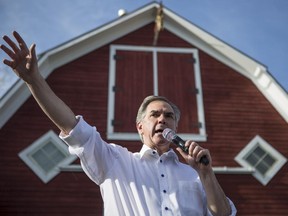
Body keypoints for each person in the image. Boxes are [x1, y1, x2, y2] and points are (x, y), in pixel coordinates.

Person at [1, 31, 236, 215]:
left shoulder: (194, 175)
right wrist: (34, 81)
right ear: (140, 127)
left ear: (175, 129)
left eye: (169, 116)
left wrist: (206, 174)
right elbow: (71, 126)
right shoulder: (115, 161)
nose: (162, 119)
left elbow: (224, 214)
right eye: (154, 115)